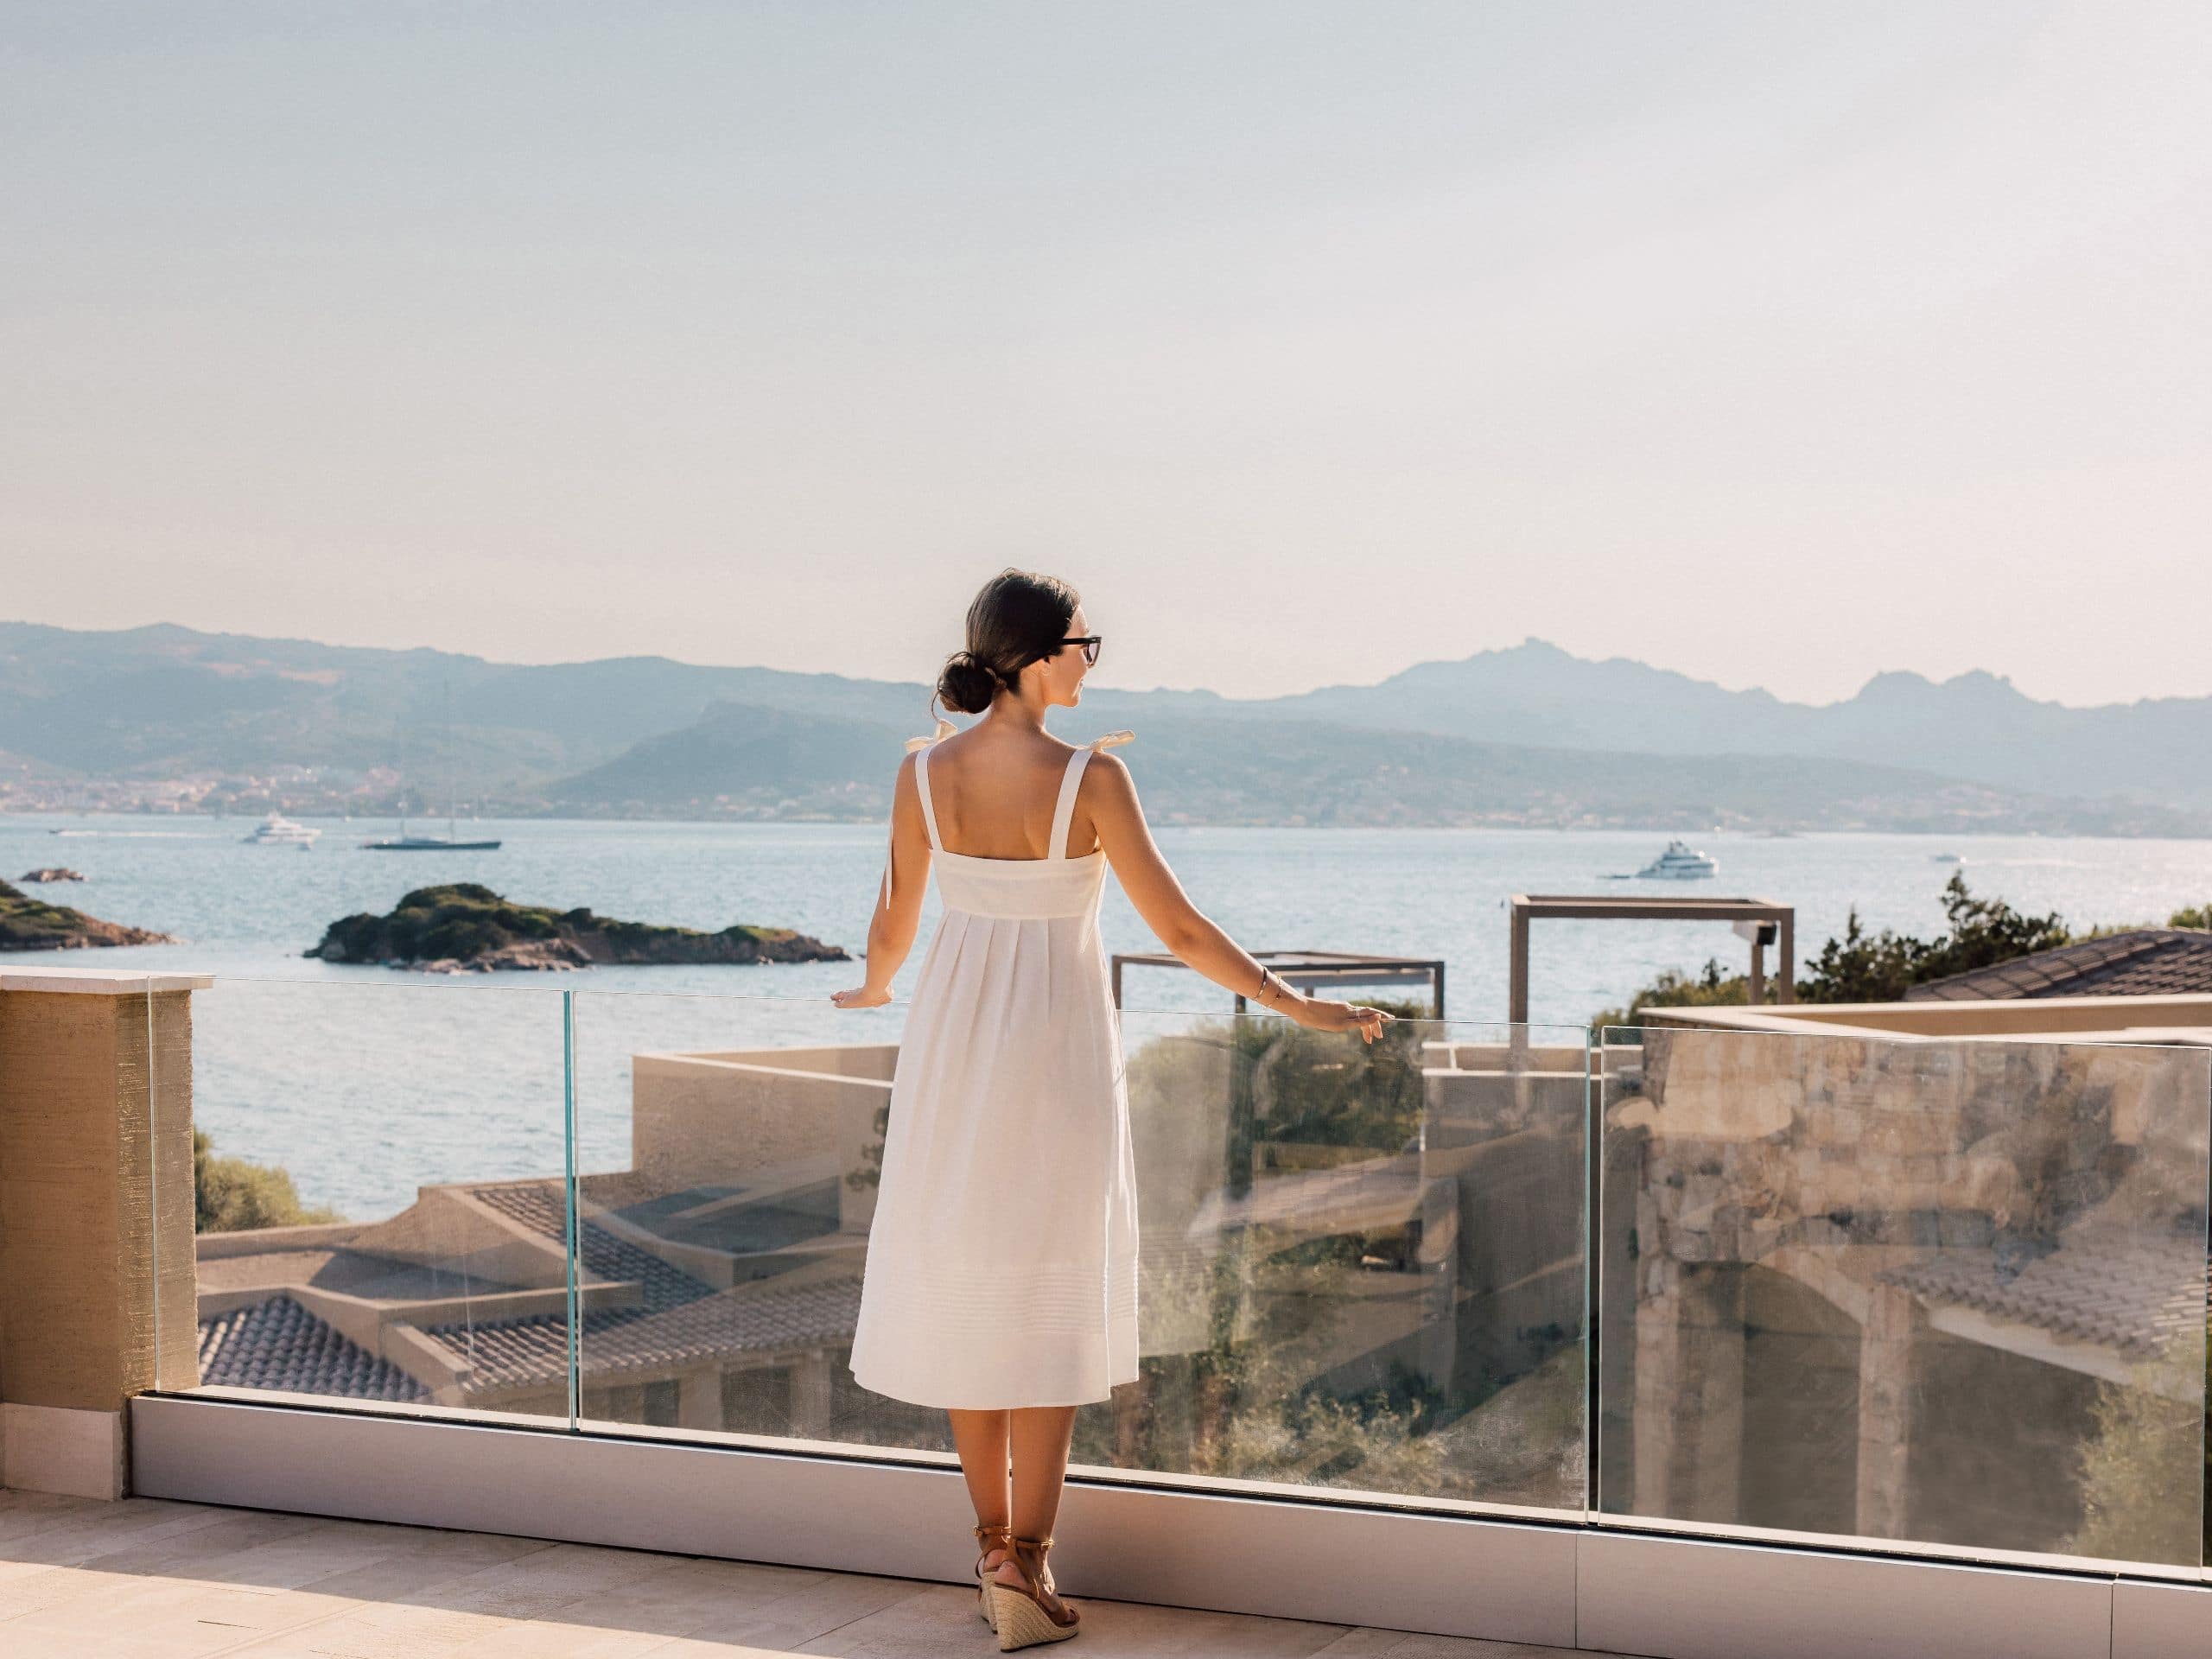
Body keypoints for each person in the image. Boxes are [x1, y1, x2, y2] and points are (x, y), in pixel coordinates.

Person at [833, 568, 1389, 1650]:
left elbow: (896, 914)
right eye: (1088, 643)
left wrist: (873, 988)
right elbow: (1179, 931)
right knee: (1046, 1296)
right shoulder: (1091, 778)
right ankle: (1026, 1565)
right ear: (1042, 656)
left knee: (971, 1285)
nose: (1094, 661)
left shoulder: (923, 772)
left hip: (952, 1049)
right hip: (1053, 1053)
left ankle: (991, 1543)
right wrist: (1296, 1006)